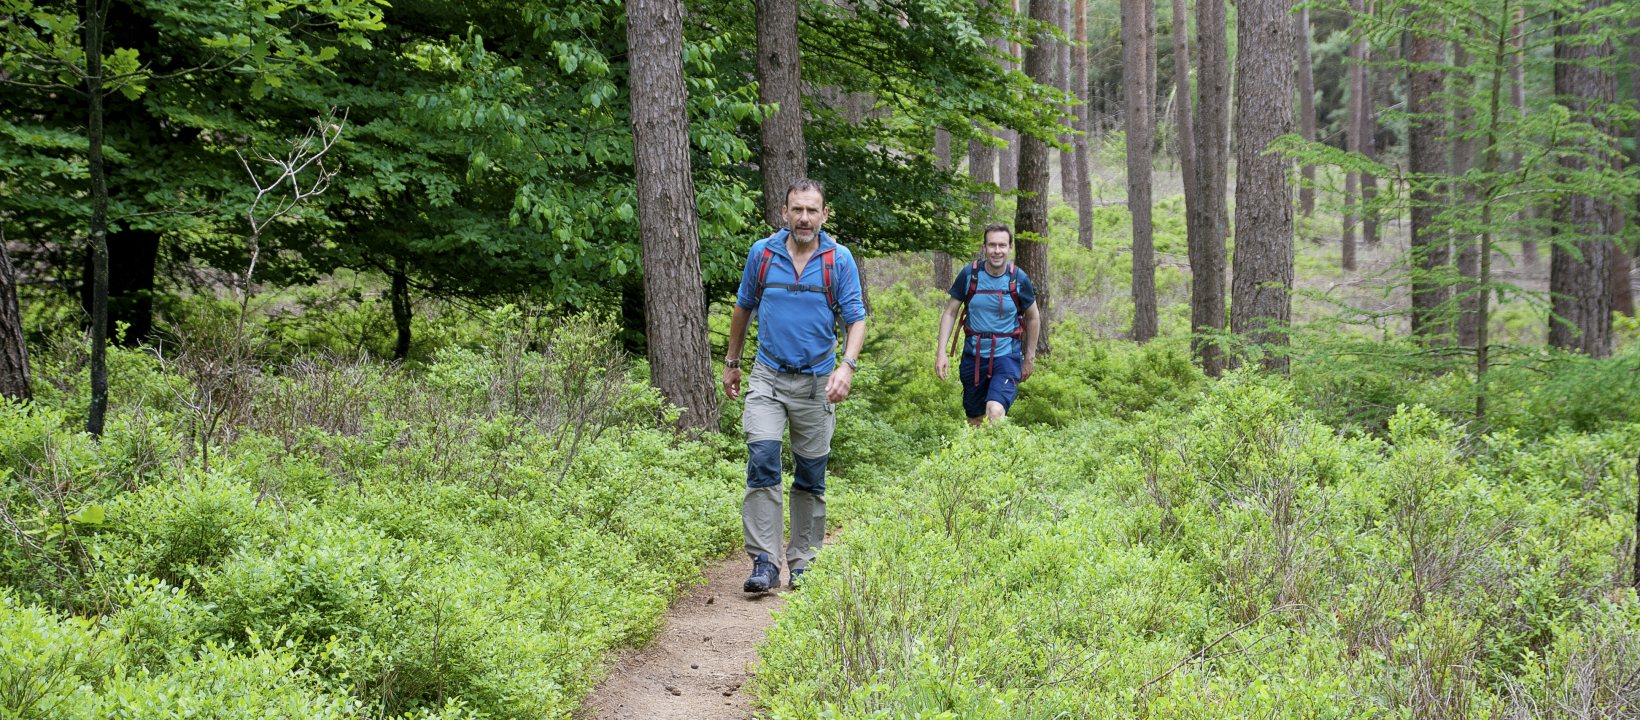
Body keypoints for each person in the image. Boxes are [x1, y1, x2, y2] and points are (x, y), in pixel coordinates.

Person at [722, 178, 867, 593]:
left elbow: (856, 319)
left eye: (811, 210)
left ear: (824, 214)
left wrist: (847, 367)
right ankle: (765, 561)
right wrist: (733, 363)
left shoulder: (838, 260)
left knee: (810, 475)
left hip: (817, 383)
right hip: (767, 376)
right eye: (797, 210)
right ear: (784, 213)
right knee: (763, 460)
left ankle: (803, 561)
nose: (804, 218)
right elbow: (744, 306)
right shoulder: (762, 254)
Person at [935, 224, 1040, 426]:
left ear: (1010, 248)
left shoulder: (1019, 279)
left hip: (1007, 355)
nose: (997, 251)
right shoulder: (970, 275)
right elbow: (950, 312)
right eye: (992, 245)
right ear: (984, 247)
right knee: (974, 419)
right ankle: (980, 456)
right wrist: (941, 353)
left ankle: (999, 455)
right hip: (973, 356)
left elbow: (1033, 317)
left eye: (1002, 245)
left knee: (995, 410)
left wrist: (1029, 357)